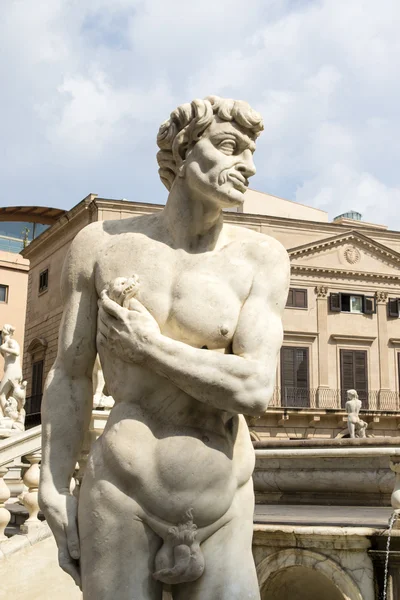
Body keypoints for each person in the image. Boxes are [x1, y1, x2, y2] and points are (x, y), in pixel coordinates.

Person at [39, 96, 290, 600]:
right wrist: (50, 484)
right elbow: (70, 374)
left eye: (252, 153)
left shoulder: (262, 258)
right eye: (229, 147)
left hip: (225, 498)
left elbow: (256, 387)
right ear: (181, 150)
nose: (249, 165)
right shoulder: (101, 245)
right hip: (119, 493)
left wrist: (149, 348)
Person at [0, 324, 22, 416]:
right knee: (10, 396)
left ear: (3, 333)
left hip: (12, 371)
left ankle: (9, 416)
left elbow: (16, 352)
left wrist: (3, 348)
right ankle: (14, 415)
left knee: (1, 394)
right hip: (14, 371)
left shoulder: (11, 342)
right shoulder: (6, 344)